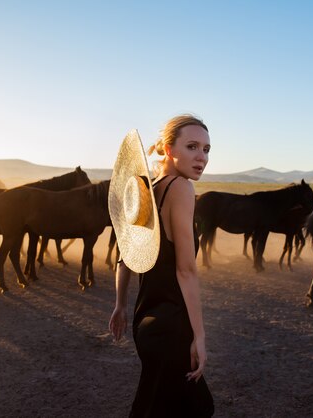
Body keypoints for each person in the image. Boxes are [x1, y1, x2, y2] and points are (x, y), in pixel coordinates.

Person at [109, 114, 214, 417]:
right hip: (172, 326)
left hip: (146, 323)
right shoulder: (180, 188)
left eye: (206, 149)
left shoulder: (147, 190)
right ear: (169, 149)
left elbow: (124, 255)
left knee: (183, 406)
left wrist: (120, 304)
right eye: (192, 146)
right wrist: (199, 336)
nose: (201, 157)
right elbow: (186, 270)